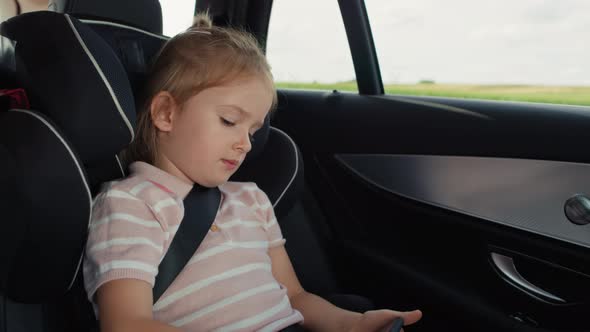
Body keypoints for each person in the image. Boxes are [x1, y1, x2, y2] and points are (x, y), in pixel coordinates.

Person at [83, 13, 422, 332]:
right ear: (166, 113)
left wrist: (355, 324)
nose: (244, 144)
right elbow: (127, 324)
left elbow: (294, 297)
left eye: (253, 131)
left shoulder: (251, 200)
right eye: (229, 121)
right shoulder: (131, 205)